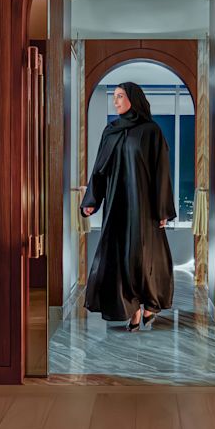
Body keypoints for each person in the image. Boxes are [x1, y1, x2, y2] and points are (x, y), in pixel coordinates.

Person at [81, 82, 176, 331]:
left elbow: (161, 172)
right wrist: (92, 200)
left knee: (144, 256)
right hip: (117, 204)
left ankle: (151, 303)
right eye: (114, 97)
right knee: (118, 255)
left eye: (120, 96)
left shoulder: (150, 131)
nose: (115, 101)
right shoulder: (111, 131)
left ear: (133, 99)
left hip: (144, 207)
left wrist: (163, 209)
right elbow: (100, 168)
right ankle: (131, 308)